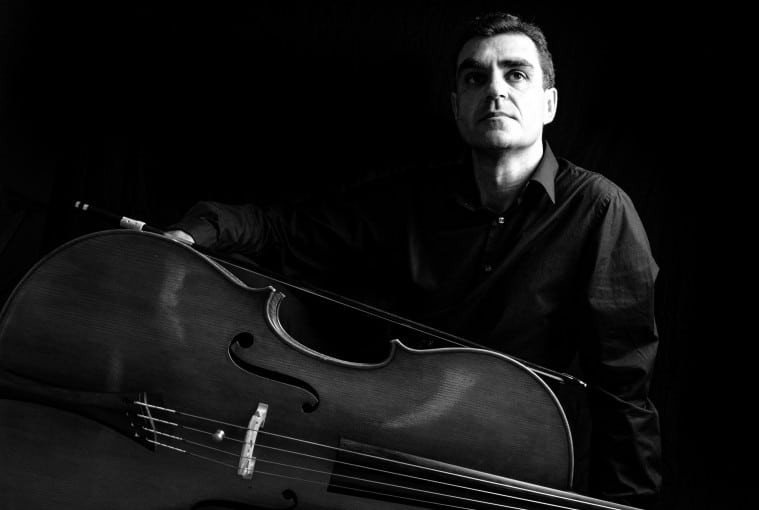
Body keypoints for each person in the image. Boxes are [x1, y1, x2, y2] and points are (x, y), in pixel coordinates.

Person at [167, 12, 662, 508]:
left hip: (514, 464)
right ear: (457, 107)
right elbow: (283, 231)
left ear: (549, 103)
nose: (495, 90)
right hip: (390, 448)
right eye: (475, 78)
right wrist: (197, 232)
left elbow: (624, 391)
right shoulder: (412, 200)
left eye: (516, 74)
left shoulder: (599, 210)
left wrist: (629, 503)